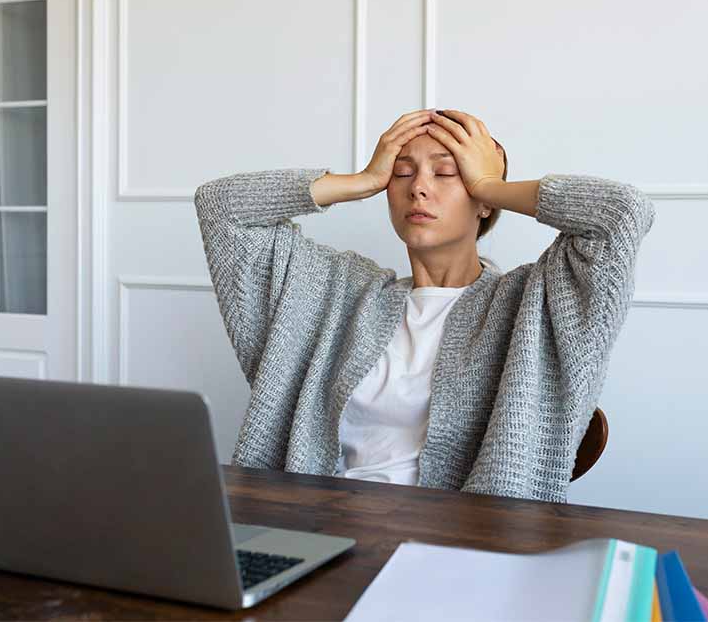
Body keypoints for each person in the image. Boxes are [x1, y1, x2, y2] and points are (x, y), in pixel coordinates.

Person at [193, 109, 656, 503]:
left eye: (446, 172)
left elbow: (620, 213)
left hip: (459, 555)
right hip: (315, 533)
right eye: (402, 171)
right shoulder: (336, 294)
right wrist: (361, 180)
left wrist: (490, 186)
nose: (418, 188)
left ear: (483, 202)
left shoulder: (534, 305)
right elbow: (220, 207)